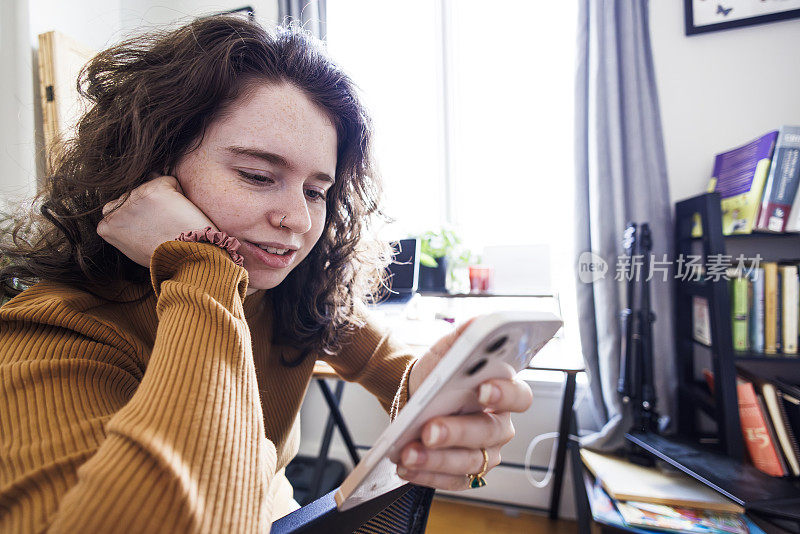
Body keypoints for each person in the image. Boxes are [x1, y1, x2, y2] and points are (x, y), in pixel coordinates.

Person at [0, 16, 534, 533]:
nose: (299, 221)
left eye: (315, 191)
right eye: (257, 176)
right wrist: (202, 264)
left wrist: (441, 406)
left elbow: (387, 366)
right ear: (148, 170)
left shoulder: (291, 290)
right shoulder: (51, 333)